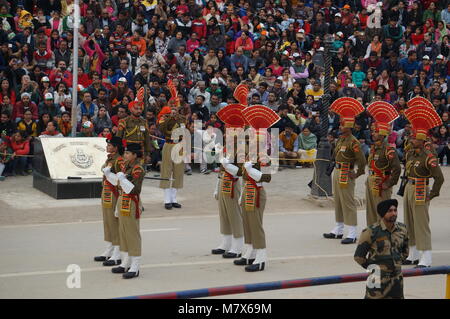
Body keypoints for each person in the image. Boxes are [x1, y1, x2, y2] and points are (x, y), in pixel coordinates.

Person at [233, 105, 279, 272]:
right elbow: (243, 176)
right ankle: (249, 253)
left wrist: (251, 169)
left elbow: (267, 177)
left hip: (258, 192)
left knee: (256, 225)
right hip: (248, 190)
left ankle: (261, 258)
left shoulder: (264, 156)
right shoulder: (250, 154)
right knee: (247, 223)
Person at [402, 105, 444, 267]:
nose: (411, 140)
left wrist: (432, 194)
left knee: (421, 224)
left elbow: (439, 178)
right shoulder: (411, 153)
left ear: (421, 140)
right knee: (409, 222)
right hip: (409, 188)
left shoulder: (428, 156)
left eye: (414, 138)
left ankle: (426, 257)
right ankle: (413, 254)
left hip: (421, 189)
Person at [323, 98, 366, 244]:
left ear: (348, 126)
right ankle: (339, 228)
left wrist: (357, 173)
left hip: (347, 173)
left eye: (342, 125)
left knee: (348, 202)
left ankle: (352, 232)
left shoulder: (353, 142)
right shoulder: (341, 140)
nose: (340, 127)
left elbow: (362, 161)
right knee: (338, 201)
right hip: (337, 172)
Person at [354, 199, 409, 299]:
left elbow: (405, 250)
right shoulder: (371, 231)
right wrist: (373, 269)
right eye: (390, 211)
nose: (394, 213)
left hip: (396, 280)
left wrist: (397, 263)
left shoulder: (402, 229)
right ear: (382, 213)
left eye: (395, 210)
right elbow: (358, 256)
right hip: (376, 280)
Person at [211, 108, 245, 258]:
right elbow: (221, 168)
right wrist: (216, 186)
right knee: (223, 213)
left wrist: (228, 165)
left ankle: (238, 246)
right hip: (223, 180)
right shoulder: (227, 146)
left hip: (233, 182)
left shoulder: (241, 148)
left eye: (229, 129)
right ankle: (225, 242)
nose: (226, 132)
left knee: (234, 214)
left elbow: (241, 171)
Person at [111, 143, 145, 279]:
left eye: (128, 153)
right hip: (122, 199)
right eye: (125, 153)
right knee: (123, 232)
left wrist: (123, 179)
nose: (125, 155)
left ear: (135, 155)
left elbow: (135, 189)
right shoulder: (126, 167)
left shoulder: (138, 169)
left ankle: (135, 266)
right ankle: (126, 262)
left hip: (131, 202)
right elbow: (119, 186)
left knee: (132, 233)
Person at [365, 101, 401, 226]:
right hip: (371, 180)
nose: (373, 134)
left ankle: (385, 232)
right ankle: (372, 230)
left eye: (375, 132)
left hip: (382, 182)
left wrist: (389, 183)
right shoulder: (374, 147)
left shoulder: (389, 150)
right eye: (373, 131)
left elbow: (397, 169)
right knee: (370, 209)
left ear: (382, 133)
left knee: (383, 210)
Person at [94, 136, 125, 266]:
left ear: (116, 147)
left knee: (114, 222)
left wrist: (109, 175)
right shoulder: (110, 159)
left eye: (110, 145)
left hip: (114, 194)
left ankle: (117, 253)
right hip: (106, 192)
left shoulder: (119, 160)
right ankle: (109, 248)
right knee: (107, 221)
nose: (108, 147)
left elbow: (121, 181)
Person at [157, 105, 186, 210]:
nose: (174, 111)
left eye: (176, 109)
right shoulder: (164, 119)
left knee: (178, 172)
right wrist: (170, 118)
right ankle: (166, 199)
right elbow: (162, 129)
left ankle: (174, 199)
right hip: (169, 145)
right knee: (166, 171)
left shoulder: (182, 119)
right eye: (172, 109)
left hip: (179, 145)